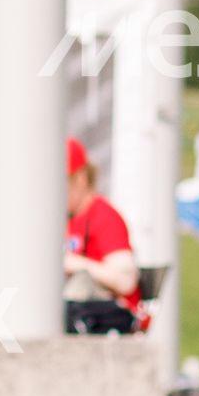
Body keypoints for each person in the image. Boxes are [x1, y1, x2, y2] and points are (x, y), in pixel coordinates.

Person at [64, 139, 143, 335]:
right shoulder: (68, 218)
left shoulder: (104, 217)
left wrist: (74, 263)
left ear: (80, 180)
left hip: (109, 325)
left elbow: (125, 280)